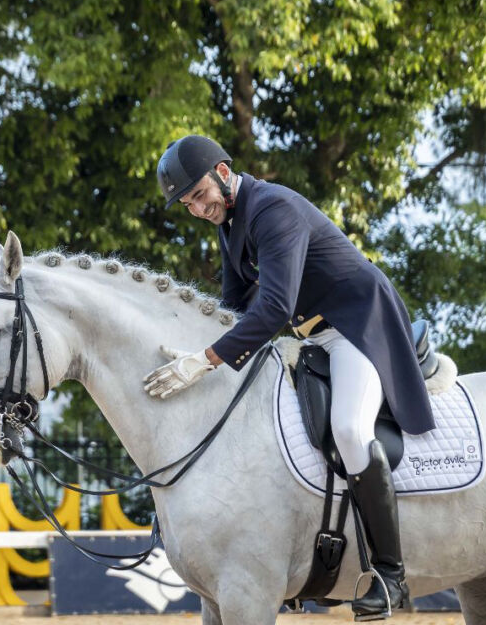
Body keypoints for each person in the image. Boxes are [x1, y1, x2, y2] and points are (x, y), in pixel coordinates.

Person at [143, 135, 436, 620]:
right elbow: (233, 308)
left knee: (349, 429)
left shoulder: (271, 209)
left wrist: (207, 360)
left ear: (222, 172)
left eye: (198, 194)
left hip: (358, 328)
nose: (196, 208)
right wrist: (195, 348)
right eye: (187, 203)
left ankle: (391, 576)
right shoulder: (230, 222)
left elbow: (275, 308)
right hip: (315, 338)